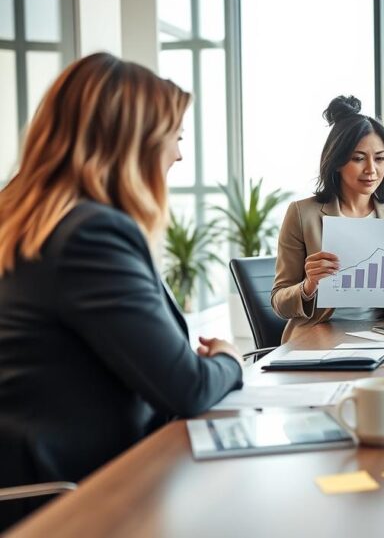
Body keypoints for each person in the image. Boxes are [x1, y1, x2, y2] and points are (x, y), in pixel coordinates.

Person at [0, 53, 243, 527]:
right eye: (175, 137)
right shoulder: (87, 234)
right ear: (133, 143)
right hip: (74, 499)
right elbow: (187, 388)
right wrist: (231, 360)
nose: (178, 154)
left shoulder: (29, 218)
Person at [272, 95, 384, 342]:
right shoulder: (303, 214)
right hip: (319, 335)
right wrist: (309, 285)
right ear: (337, 162)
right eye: (358, 159)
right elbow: (280, 302)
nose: (371, 169)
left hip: (382, 335)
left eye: (379, 158)